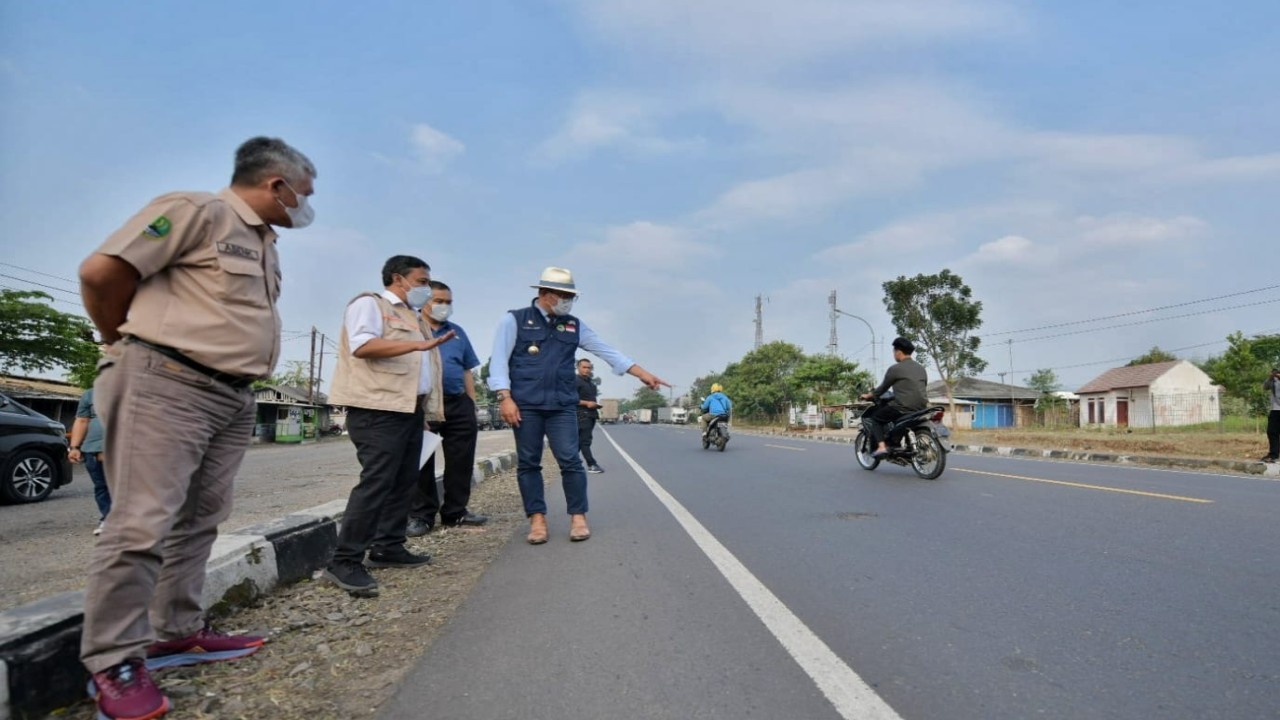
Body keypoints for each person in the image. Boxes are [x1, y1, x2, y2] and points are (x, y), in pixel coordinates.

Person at [77, 136, 316, 720]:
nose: (304, 207)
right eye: (302, 196)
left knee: (201, 517)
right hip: (167, 381)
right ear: (275, 185)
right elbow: (101, 272)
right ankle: (114, 661)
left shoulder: (265, 244)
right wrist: (119, 340)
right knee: (139, 523)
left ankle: (176, 630)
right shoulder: (194, 212)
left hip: (232, 397)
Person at [490, 267, 668, 544]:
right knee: (528, 463)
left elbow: (605, 350)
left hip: (562, 405)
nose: (567, 300)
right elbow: (499, 361)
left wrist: (641, 373)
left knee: (571, 460)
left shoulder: (573, 325)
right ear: (543, 294)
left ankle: (578, 516)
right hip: (526, 405)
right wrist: (505, 397)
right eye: (562, 295)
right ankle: (537, 520)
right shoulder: (514, 320)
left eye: (570, 295)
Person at [322, 256, 455, 598]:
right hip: (376, 409)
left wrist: (425, 408)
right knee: (377, 482)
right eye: (422, 280)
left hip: (408, 409)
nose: (426, 288)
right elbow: (363, 346)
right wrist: (417, 344)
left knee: (403, 482)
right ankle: (345, 559)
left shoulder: (413, 316)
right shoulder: (370, 304)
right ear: (399, 278)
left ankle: (388, 547)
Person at [406, 280, 489, 536]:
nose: (444, 306)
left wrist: (471, 404)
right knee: (421, 463)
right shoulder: (410, 330)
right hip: (423, 404)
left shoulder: (458, 332)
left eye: (448, 302)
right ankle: (421, 515)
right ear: (424, 302)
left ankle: (455, 512)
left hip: (457, 402)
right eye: (438, 301)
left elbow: (467, 370)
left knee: (461, 460)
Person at [859, 337, 928, 458]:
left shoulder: (895, 369)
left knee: (876, 419)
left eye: (894, 351)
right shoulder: (921, 368)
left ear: (898, 352)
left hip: (902, 407)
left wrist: (868, 396)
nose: (893, 354)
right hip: (921, 407)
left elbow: (882, 389)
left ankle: (882, 447)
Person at [69, 384, 111, 536]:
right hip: (94, 448)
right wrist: (74, 447)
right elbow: (82, 420)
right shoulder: (90, 394)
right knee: (102, 486)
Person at [576, 358, 605, 473]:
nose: (587, 370)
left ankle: (570, 463)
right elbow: (570, 399)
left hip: (591, 415)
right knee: (585, 441)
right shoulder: (574, 381)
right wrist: (587, 403)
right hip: (581, 415)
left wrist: (594, 405)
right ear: (578, 368)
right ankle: (591, 464)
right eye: (584, 367)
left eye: (589, 367)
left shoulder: (591, 384)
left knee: (580, 442)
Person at [1264, 368, 1280, 463]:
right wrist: (1270, 378)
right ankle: (1273, 454)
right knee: (1272, 432)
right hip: (1275, 409)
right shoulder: (1273, 381)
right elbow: (1265, 387)